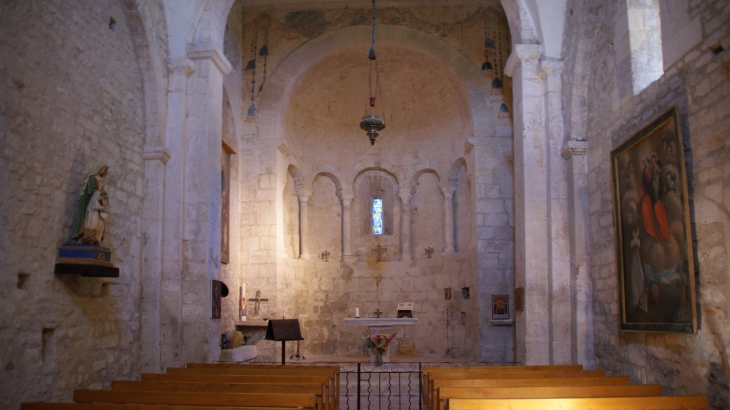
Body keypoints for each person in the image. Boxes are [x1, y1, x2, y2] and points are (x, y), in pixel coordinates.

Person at [72, 164, 109, 244]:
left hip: (97, 204)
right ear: (97, 168)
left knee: (98, 223)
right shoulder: (92, 178)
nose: (102, 171)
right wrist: (99, 197)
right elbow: (91, 191)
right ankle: (86, 236)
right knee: (90, 222)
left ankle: (94, 237)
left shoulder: (101, 180)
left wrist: (104, 198)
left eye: (104, 170)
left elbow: (102, 191)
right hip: (91, 204)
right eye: (101, 169)